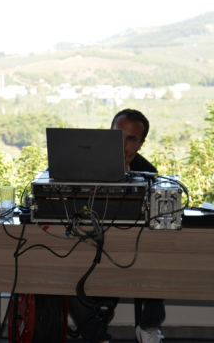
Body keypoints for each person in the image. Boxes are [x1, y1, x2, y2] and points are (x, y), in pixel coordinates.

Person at [68, 109, 165, 343]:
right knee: (58, 276)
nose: (123, 145)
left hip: (132, 252)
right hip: (85, 247)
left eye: (131, 139)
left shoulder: (148, 173)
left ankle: (149, 326)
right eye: (117, 136)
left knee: (159, 254)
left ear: (140, 144)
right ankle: (98, 337)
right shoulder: (80, 164)